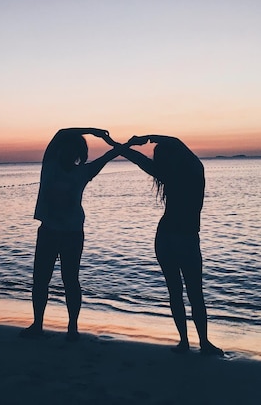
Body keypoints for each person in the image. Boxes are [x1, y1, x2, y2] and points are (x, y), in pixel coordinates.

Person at [118, 134, 223, 355]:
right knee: (193, 293)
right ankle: (200, 342)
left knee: (177, 291)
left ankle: (187, 341)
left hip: (166, 237)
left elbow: (136, 157)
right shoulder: (195, 171)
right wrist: (148, 137)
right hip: (183, 238)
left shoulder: (168, 174)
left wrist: (125, 144)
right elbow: (175, 142)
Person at [20, 128, 120, 341]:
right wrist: (92, 131)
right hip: (48, 231)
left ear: (78, 154)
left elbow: (109, 156)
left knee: (70, 281)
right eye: (64, 148)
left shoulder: (83, 172)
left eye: (71, 150)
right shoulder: (49, 166)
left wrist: (125, 144)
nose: (65, 152)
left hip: (72, 234)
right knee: (40, 280)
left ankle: (72, 328)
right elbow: (61, 132)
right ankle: (38, 324)